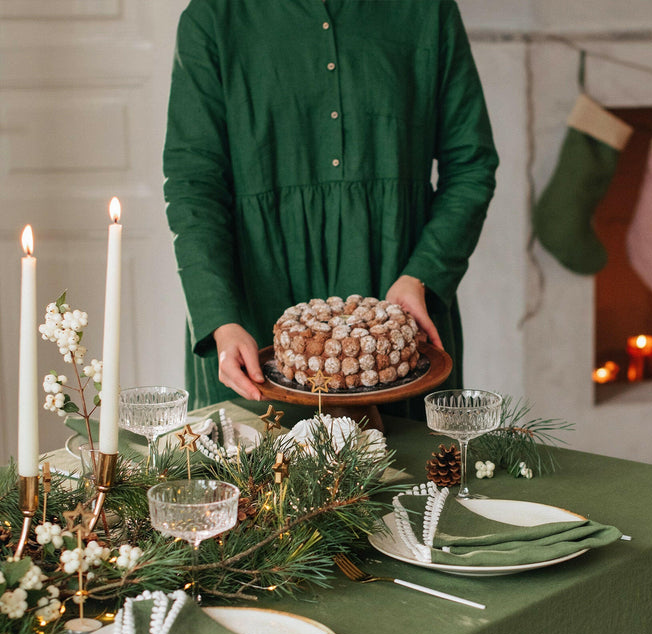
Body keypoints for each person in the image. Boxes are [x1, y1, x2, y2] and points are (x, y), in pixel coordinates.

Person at [163, 0, 498, 411]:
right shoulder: (213, 18)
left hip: (398, 319)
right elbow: (193, 187)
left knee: (412, 473)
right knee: (255, 472)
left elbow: (471, 163)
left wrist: (423, 273)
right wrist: (220, 318)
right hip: (251, 320)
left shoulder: (428, 12)